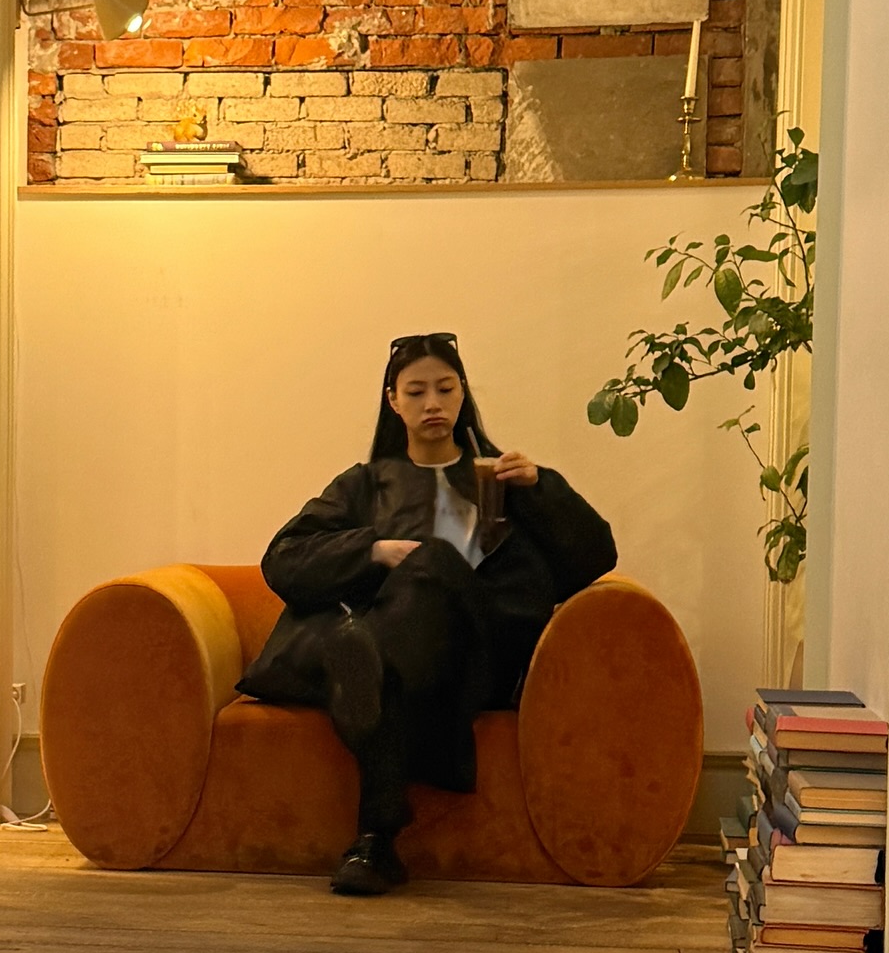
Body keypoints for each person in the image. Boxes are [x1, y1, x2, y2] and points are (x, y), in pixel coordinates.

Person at [237, 333, 617, 897]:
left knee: (427, 569)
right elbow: (283, 559)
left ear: (463, 393)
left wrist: (542, 488)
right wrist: (372, 550)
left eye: (445, 388)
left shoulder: (502, 479)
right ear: (393, 401)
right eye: (416, 392)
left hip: (475, 656)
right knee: (380, 666)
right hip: (403, 663)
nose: (432, 403)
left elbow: (594, 557)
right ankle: (375, 842)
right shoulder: (364, 486)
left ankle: (361, 659)